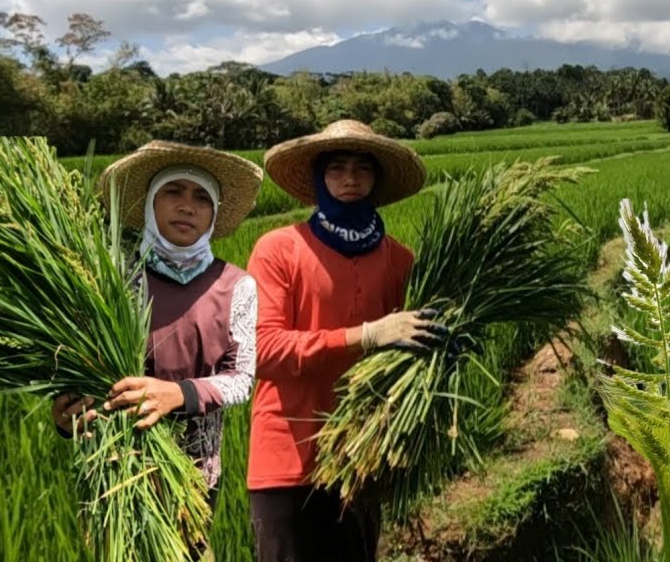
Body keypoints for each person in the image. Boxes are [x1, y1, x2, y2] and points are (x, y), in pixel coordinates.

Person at [246, 119, 448, 562]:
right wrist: (368, 336)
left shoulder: (400, 259)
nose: (350, 179)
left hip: (363, 452)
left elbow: (414, 353)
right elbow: (263, 350)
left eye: (362, 168)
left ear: (376, 179)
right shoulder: (278, 249)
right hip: (287, 459)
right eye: (336, 168)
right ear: (319, 177)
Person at [51, 140, 264, 560]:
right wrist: (65, 415)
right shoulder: (110, 275)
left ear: (214, 214)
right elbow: (76, 367)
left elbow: (241, 378)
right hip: (114, 470)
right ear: (150, 203)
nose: (187, 206)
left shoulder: (236, 285)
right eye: (174, 191)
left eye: (202, 197)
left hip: (195, 478)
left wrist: (179, 394)